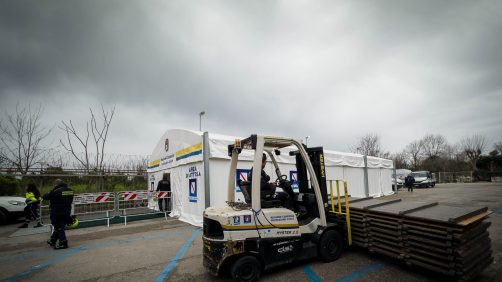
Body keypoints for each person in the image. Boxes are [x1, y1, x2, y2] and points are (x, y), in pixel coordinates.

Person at [43, 179, 74, 249]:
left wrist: (53, 189)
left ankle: (63, 243)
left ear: (56, 184)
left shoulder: (56, 191)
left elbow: (45, 197)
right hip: (66, 211)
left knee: (59, 228)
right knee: (59, 227)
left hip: (57, 212)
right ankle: (52, 240)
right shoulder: (70, 190)